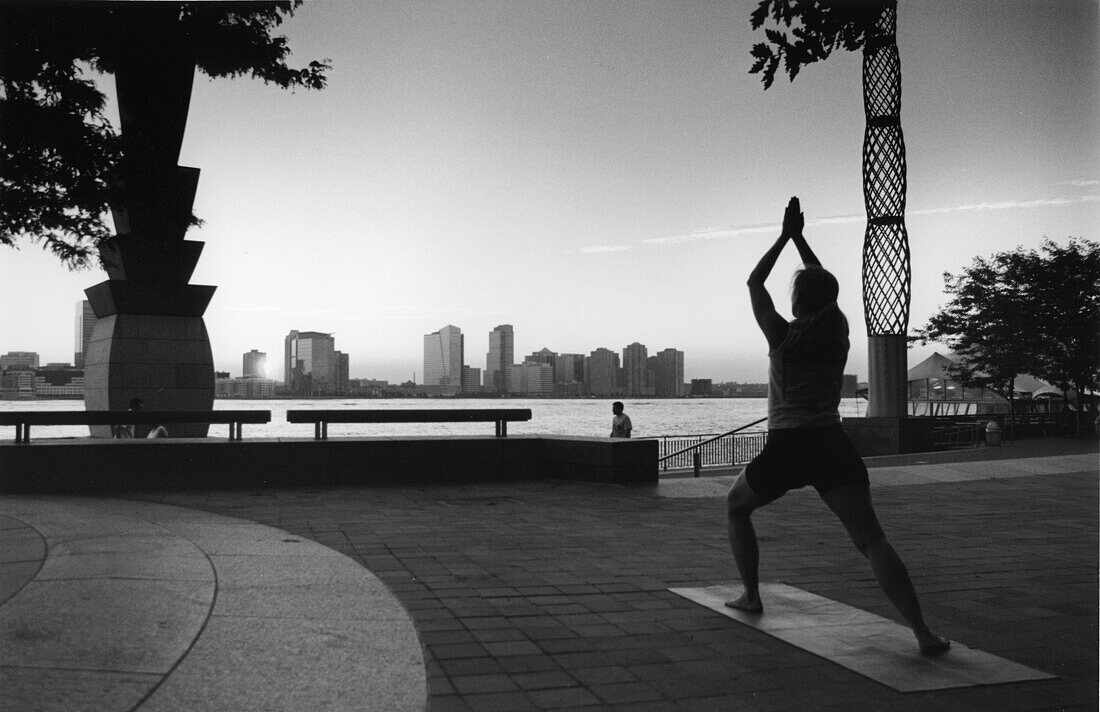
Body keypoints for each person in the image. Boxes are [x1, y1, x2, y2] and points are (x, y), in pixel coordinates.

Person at [725, 196, 950, 656]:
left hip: (788, 446)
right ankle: (923, 634)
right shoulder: (840, 328)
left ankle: (751, 595)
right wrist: (801, 240)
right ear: (830, 300)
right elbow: (825, 288)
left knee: (735, 507)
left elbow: (754, 281)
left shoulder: (781, 335)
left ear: (796, 301)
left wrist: (784, 236)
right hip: (832, 444)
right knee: (871, 539)